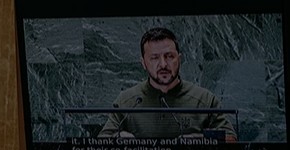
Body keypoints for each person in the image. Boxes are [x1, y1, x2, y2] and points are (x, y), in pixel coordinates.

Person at [98, 27, 235, 140]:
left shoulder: (204, 99)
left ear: (179, 59)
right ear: (143, 63)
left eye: (169, 56)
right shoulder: (127, 101)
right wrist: (117, 138)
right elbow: (101, 141)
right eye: (154, 58)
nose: (163, 64)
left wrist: (200, 140)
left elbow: (231, 140)